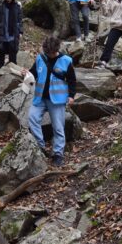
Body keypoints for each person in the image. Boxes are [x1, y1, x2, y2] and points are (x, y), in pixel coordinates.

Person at [22, 36, 76, 166]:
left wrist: (71, 96)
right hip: (40, 97)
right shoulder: (40, 58)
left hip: (57, 100)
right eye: (48, 53)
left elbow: (72, 80)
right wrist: (26, 73)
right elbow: (34, 72)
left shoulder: (66, 61)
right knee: (32, 118)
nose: (50, 55)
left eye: (52, 53)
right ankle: (40, 146)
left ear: (57, 50)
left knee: (58, 127)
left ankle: (58, 153)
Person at [0, 0, 23, 69]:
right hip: (2, 33)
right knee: (1, 52)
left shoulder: (17, 7)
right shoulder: (0, 7)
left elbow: (20, 21)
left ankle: (13, 72)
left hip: (13, 35)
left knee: (13, 54)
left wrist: (20, 32)